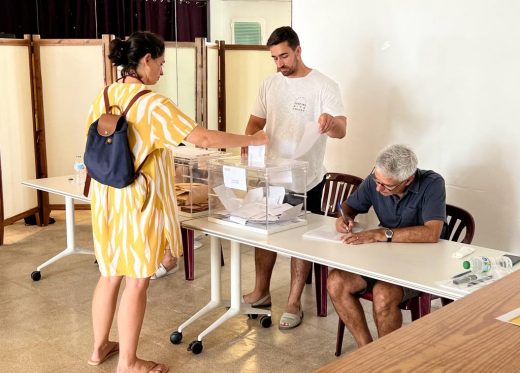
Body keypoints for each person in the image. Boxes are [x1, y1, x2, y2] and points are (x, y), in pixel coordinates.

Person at [86, 31, 268, 373]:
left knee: (110, 274)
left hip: (105, 196)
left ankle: (99, 349)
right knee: (137, 280)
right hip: (137, 201)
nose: (162, 71)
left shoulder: (105, 95)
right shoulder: (153, 104)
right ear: (146, 60)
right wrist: (252, 138)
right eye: (161, 63)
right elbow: (203, 138)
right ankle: (128, 362)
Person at [241, 26, 347, 330]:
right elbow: (255, 121)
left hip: (306, 178)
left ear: (298, 50)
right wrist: (249, 139)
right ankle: (261, 292)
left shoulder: (324, 85)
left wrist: (330, 123)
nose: (279, 64)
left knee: (300, 241)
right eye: (274, 58)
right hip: (269, 174)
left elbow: (342, 129)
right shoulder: (269, 84)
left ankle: (293, 301)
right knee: (264, 235)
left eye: (284, 56)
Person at [327, 144, 446, 348]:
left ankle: (387, 359)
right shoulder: (378, 179)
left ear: (407, 180)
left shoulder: (432, 183)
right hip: (381, 259)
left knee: (383, 294)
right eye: (376, 180)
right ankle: (368, 352)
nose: (378, 188)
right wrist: (343, 217)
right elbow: (349, 206)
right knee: (336, 282)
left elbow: (432, 232)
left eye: (386, 186)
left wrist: (381, 234)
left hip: (418, 266)